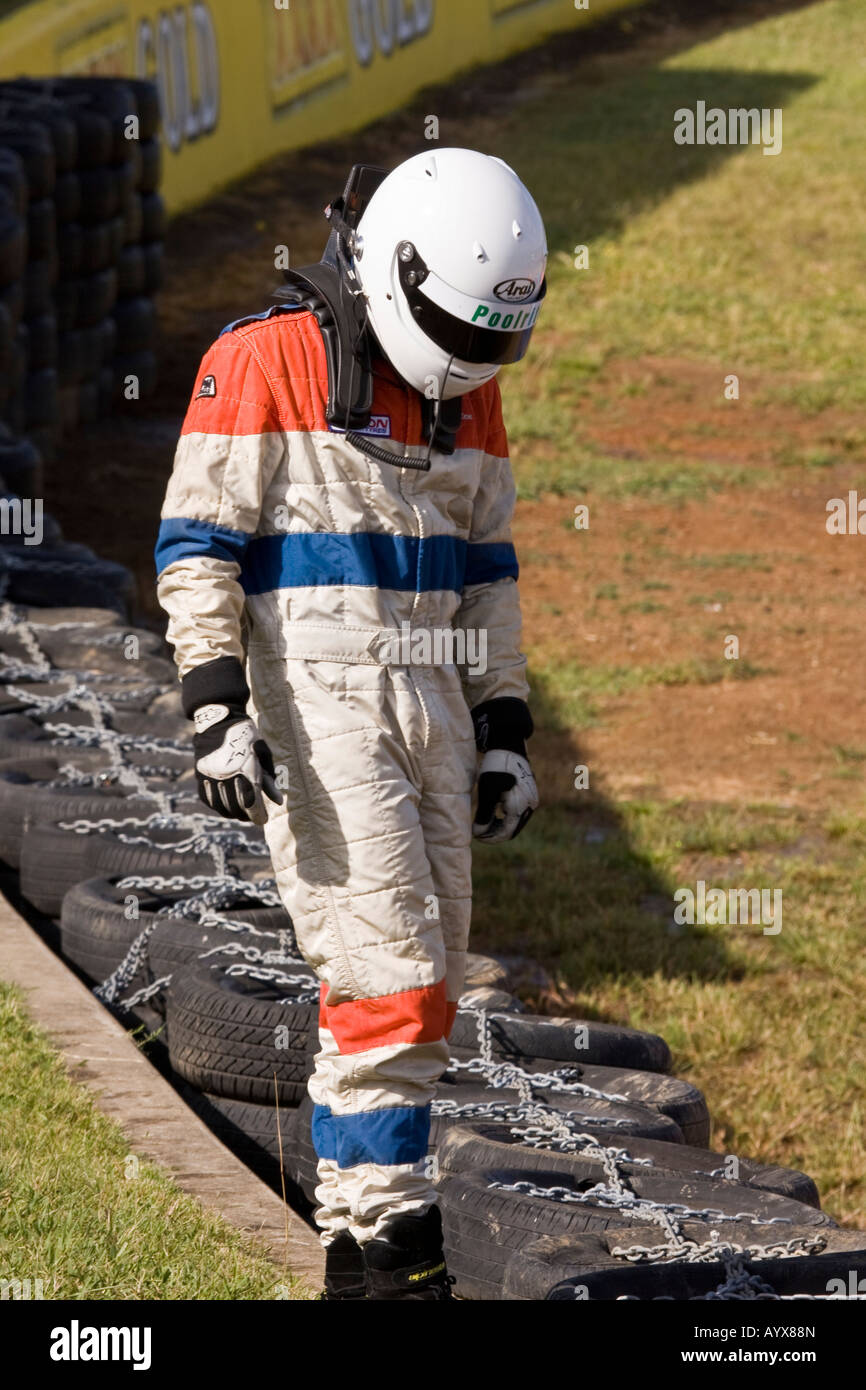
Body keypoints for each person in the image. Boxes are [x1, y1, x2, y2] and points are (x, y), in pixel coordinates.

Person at [155, 147, 546, 1300]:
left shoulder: (467, 390)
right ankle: (388, 1253)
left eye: (490, 339)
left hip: (428, 694)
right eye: (454, 329)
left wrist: (504, 727)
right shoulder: (259, 359)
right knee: (385, 980)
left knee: (422, 988)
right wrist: (217, 708)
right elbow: (196, 548)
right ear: (394, 268)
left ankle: (356, 1248)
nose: (471, 361)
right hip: (314, 705)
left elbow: (487, 571)